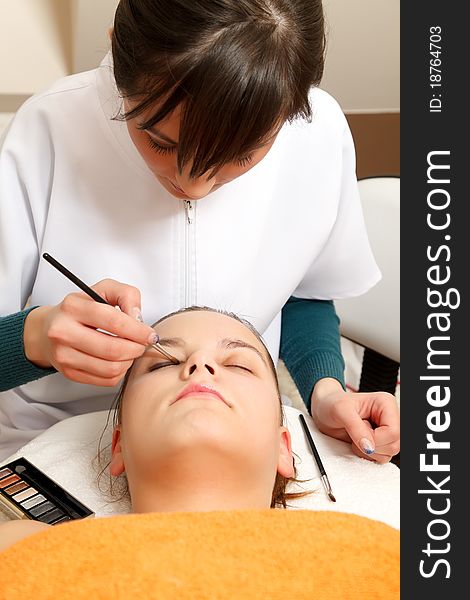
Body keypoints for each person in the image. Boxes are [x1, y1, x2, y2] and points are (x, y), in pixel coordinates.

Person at [0, 0, 399, 463]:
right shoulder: (47, 129)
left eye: (242, 155)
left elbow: (303, 294)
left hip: (236, 445)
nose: (193, 186)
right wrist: (35, 338)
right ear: (118, 52)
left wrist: (325, 391)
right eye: (160, 142)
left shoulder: (318, 133)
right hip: (55, 446)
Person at [0, 307, 308, 550]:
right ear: (119, 445)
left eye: (239, 364)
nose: (200, 363)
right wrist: (29, 335)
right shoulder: (28, 547)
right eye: (162, 364)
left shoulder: (351, 557)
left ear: (283, 448)